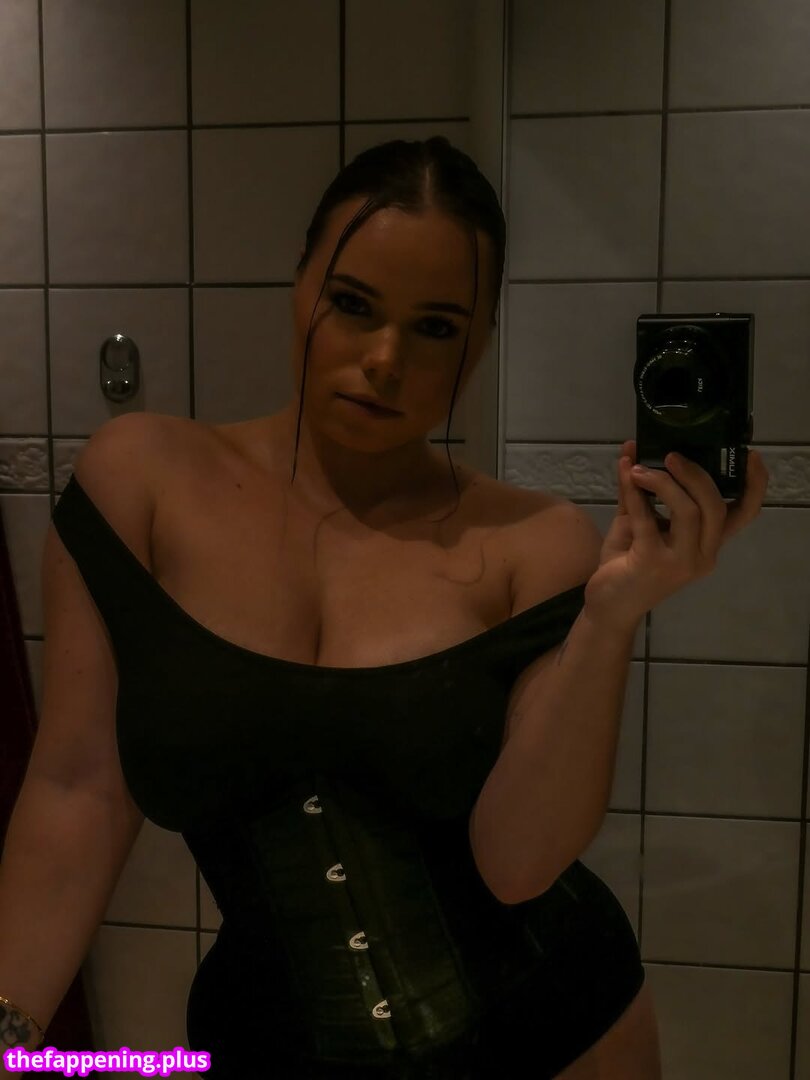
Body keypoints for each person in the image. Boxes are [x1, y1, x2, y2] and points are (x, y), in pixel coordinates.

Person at [0, 137, 768, 1079]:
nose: (385, 360)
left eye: (436, 327)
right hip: (269, 1043)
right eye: (353, 304)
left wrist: (613, 617)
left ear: (480, 344)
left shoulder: (535, 543)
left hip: (558, 1035)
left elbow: (518, 864)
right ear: (299, 284)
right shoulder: (141, 483)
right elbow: (78, 788)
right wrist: (7, 1031)